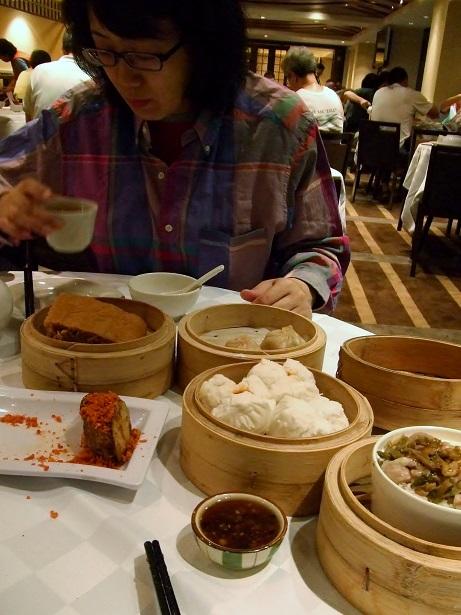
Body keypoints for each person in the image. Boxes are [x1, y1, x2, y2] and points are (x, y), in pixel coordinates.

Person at [0, 0, 350, 318]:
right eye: (105, 50)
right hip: (99, 342)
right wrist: (7, 206)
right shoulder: (76, 118)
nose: (124, 78)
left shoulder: (279, 125)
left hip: (227, 346)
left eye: (145, 55)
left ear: (203, 45)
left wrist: (301, 284)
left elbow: (322, 246)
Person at [23, 30, 93, 120]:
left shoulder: (38, 70)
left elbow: (29, 116)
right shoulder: (94, 77)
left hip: (41, 128)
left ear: (63, 49)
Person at [370, 66, 438, 150]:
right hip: (398, 148)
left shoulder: (378, 92)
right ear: (405, 80)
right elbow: (435, 114)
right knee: (430, 144)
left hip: (373, 145)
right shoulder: (410, 94)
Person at [282, 47, 344, 133]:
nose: (289, 84)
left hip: (306, 142)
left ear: (293, 76)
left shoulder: (294, 99)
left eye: (288, 78)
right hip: (337, 142)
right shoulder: (334, 95)